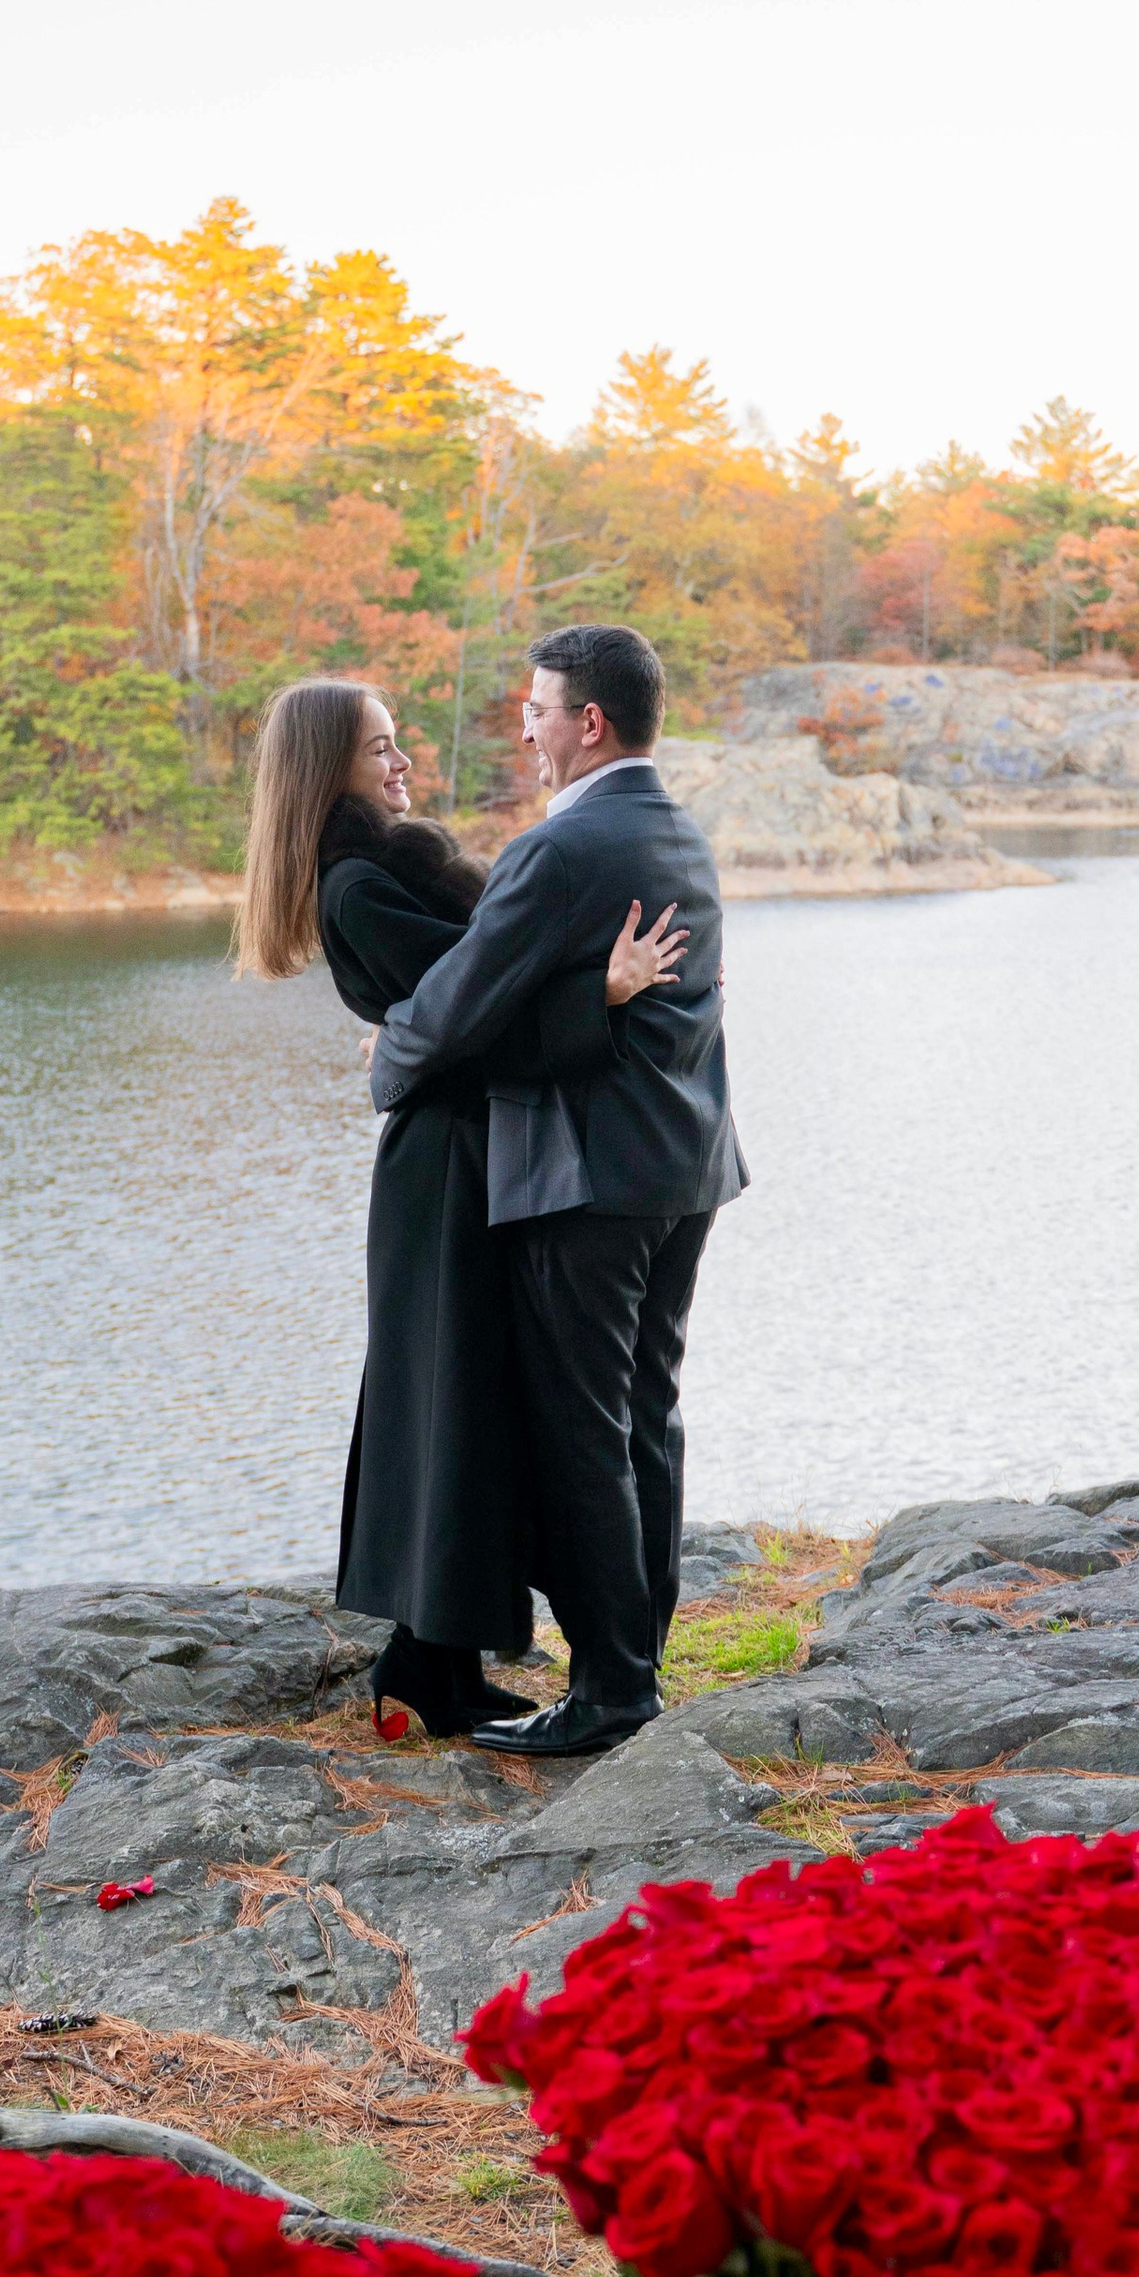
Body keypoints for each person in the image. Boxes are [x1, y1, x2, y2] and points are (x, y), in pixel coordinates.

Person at [237, 676, 687, 1735]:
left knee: (467, 1403)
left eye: (397, 745)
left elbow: (475, 993)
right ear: (326, 772)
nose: (401, 765)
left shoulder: (389, 866)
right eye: (377, 751)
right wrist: (601, 992)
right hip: (449, 1169)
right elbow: (474, 1012)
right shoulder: (357, 883)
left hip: (479, 1148)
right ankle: (421, 1662)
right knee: (449, 1398)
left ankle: (430, 1662)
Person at [367, 623, 743, 1761]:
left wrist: (389, 1058)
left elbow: (458, 998)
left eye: (535, 709)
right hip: (684, 1164)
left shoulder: (560, 849)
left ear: (587, 721)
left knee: (584, 1431)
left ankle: (615, 1688)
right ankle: (637, 1653)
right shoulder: (675, 829)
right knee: (644, 1415)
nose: (523, 729)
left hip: (587, 1179)